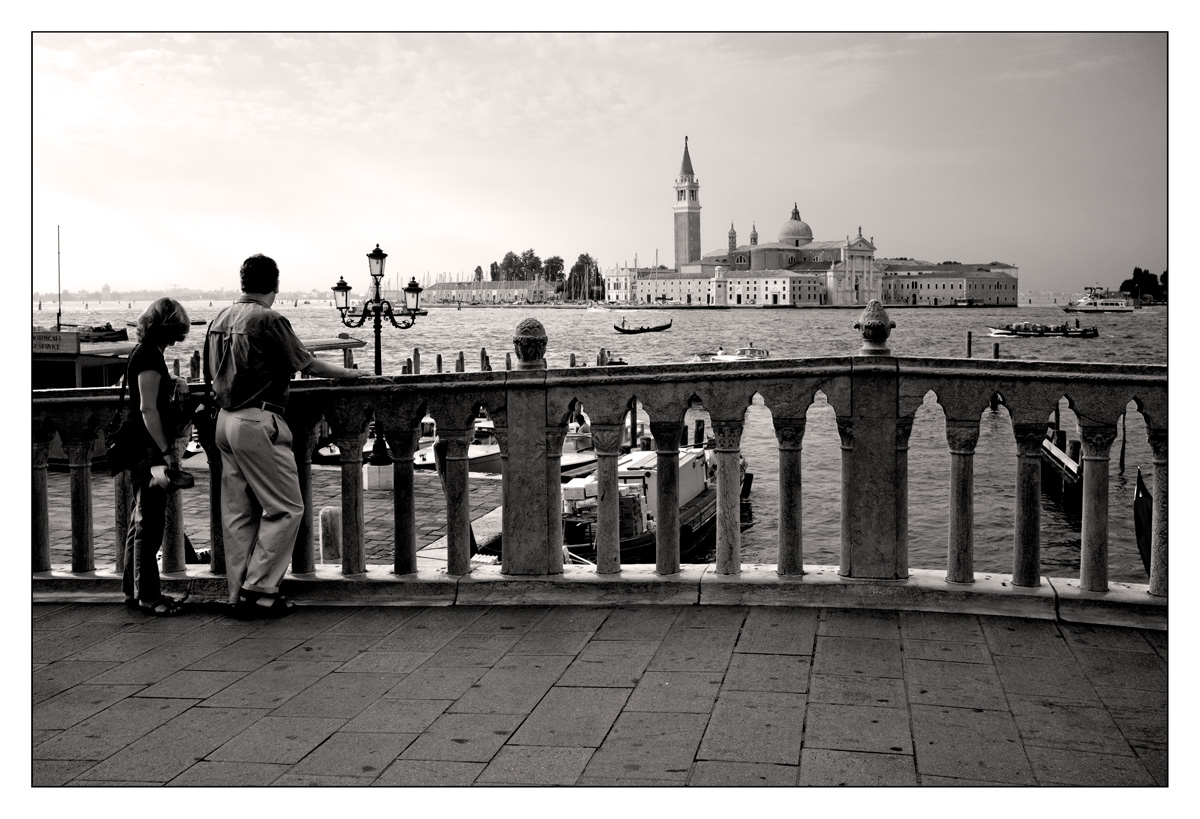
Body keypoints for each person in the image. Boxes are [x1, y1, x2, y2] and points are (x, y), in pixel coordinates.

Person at [205, 254, 367, 619]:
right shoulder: (269, 319)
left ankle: (237, 593)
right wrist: (351, 375)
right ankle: (259, 589)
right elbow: (306, 363)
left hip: (223, 421)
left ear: (243, 282)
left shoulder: (218, 318)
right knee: (286, 507)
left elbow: (210, 376)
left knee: (237, 514)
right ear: (275, 285)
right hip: (256, 421)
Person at [123, 297, 193, 616]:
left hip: (140, 447)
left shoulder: (146, 353)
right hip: (148, 449)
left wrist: (174, 381)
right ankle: (149, 595)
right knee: (150, 522)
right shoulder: (150, 356)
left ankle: (133, 589)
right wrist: (165, 451)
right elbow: (147, 408)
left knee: (140, 521)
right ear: (169, 328)